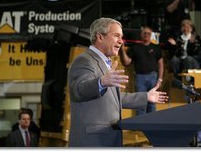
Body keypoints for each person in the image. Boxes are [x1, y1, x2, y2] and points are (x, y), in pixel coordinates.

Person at [67, 17, 168, 147]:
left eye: (122, 37)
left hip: (108, 139)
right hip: (92, 142)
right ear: (100, 37)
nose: (121, 41)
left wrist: (146, 96)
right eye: (116, 36)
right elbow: (78, 91)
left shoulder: (106, 63)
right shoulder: (85, 61)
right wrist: (101, 82)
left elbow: (115, 99)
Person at [119, 26, 164, 115]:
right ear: (141, 34)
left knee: (152, 103)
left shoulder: (156, 48)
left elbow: (161, 64)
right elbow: (127, 62)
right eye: (144, 33)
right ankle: (140, 126)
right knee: (140, 102)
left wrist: (160, 79)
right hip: (140, 77)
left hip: (153, 76)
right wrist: (122, 49)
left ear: (151, 35)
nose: (146, 35)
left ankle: (152, 125)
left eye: (148, 33)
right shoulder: (135, 48)